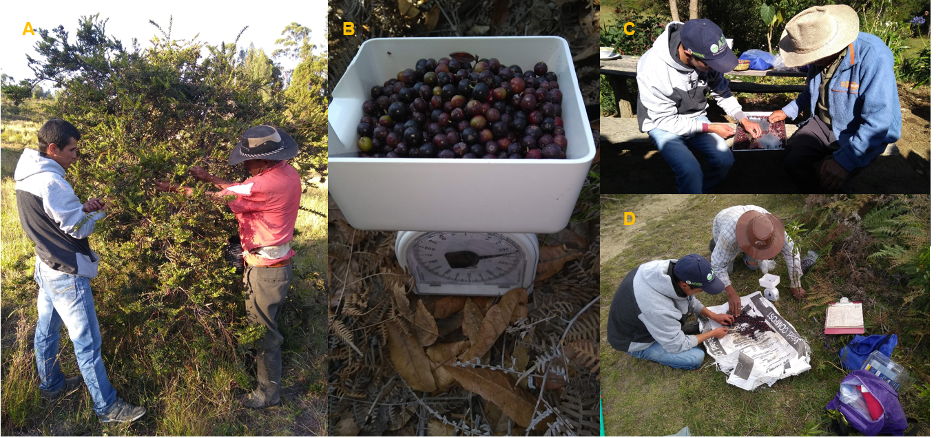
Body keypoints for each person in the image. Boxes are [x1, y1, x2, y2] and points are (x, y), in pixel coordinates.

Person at [155, 125, 301, 408]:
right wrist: (209, 177)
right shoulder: (285, 172)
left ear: (266, 159)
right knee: (263, 326)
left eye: (249, 159)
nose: (246, 164)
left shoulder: (265, 184)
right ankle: (262, 379)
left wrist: (173, 188)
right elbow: (242, 190)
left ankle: (268, 395)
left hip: (265, 271)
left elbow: (218, 198)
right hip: (272, 266)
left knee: (264, 333)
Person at [14, 118, 146, 423]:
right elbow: (79, 229)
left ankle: (51, 385)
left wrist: (81, 208)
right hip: (65, 271)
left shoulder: (27, 176)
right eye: (72, 150)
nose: (76, 155)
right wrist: (103, 208)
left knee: (46, 330)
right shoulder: (52, 182)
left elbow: (56, 219)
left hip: (45, 263)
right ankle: (107, 408)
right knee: (87, 342)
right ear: (52, 149)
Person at [769, 5, 902, 193]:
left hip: (860, 128)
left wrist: (844, 161)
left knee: (833, 181)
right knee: (791, 159)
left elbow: (878, 121)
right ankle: (814, 194)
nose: (809, 61)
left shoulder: (873, 54)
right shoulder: (819, 59)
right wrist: (787, 111)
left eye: (812, 56)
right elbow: (812, 92)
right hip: (823, 123)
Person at [636, 18, 763, 194]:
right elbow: (664, 120)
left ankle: (701, 191)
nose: (714, 68)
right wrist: (710, 127)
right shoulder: (652, 68)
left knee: (724, 160)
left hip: (695, 117)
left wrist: (743, 118)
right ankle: (691, 192)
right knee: (690, 170)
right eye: (710, 64)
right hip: (661, 123)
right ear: (688, 53)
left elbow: (722, 92)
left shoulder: (708, 57)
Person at [607, 254, 734, 370]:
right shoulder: (657, 308)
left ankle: (671, 331)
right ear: (684, 284)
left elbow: (690, 300)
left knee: (675, 322)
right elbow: (676, 345)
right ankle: (646, 348)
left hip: (646, 317)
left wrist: (714, 316)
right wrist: (712, 333)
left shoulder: (675, 270)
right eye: (700, 290)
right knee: (695, 357)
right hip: (636, 339)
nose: (701, 292)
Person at [709, 205, 805, 316]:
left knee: (753, 266)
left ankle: (744, 252)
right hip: (724, 222)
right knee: (728, 269)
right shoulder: (728, 235)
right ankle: (715, 246)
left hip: (750, 235)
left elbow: (791, 252)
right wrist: (731, 293)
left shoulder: (771, 229)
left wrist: (796, 283)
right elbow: (718, 265)